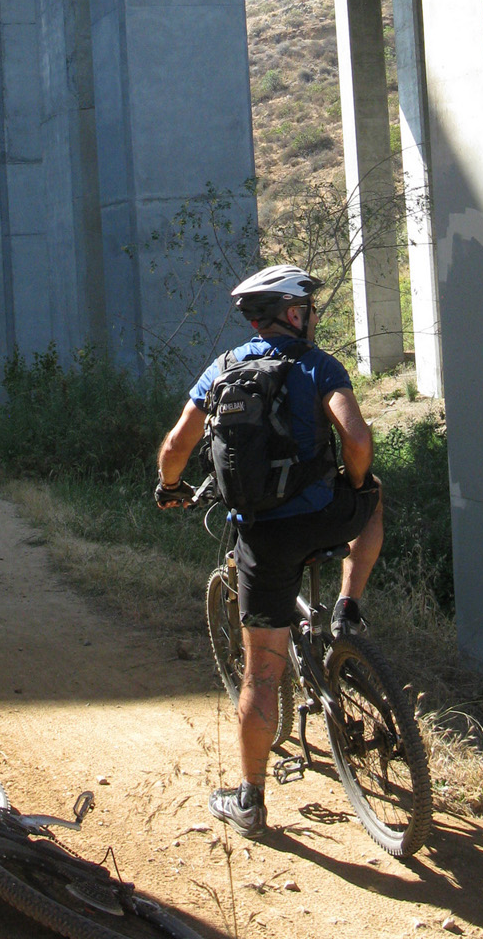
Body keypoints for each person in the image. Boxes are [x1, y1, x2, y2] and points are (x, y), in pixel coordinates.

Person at [155, 264, 383, 839]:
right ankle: (347, 607)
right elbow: (357, 440)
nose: (312, 318)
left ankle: (250, 802)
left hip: (263, 536)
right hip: (325, 516)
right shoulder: (318, 365)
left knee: (260, 672)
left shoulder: (222, 369)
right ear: (293, 313)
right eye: (309, 309)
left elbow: (178, 444)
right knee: (373, 496)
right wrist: (354, 485)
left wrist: (169, 486)